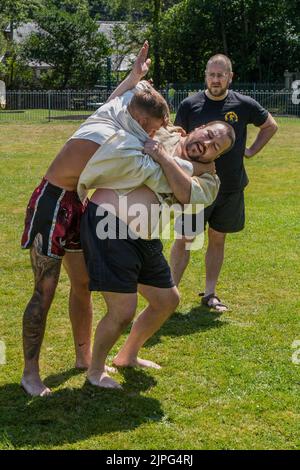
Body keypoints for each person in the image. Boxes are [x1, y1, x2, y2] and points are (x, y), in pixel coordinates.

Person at [20, 41, 171, 397]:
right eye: (154, 128)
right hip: (53, 203)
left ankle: (83, 357)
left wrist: (135, 76)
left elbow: (123, 96)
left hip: (80, 204)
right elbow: (155, 169)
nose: (154, 134)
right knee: (44, 290)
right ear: (142, 121)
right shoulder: (119, 141)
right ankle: (30, 373)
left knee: (83, 283)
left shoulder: (119, 113)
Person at [78, 118, 235, 389]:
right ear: (197, 127)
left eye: (215, 147)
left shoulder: (210, 180)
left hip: (146, 237)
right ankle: (95, 371)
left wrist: (163, 158)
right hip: (109, 223)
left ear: (216, 158)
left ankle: (127, 356)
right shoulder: (161, 131)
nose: (206, 143)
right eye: (208, 134)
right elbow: (128, 130)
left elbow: (186, 193)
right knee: (123, 310)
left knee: (167, 300)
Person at [170, 53, 278, 311]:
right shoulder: (190, 105)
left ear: (230, 76)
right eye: (212, 75)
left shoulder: (244, 104)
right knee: (186, 239)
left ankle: (210, 294)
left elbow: (270, 125)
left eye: (221, 75)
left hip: (229, 188)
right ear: (205, 76)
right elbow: (177, 138)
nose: (216, 80)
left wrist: (250, 151)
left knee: (218, 238)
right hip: (196, 189)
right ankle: (168, 297)